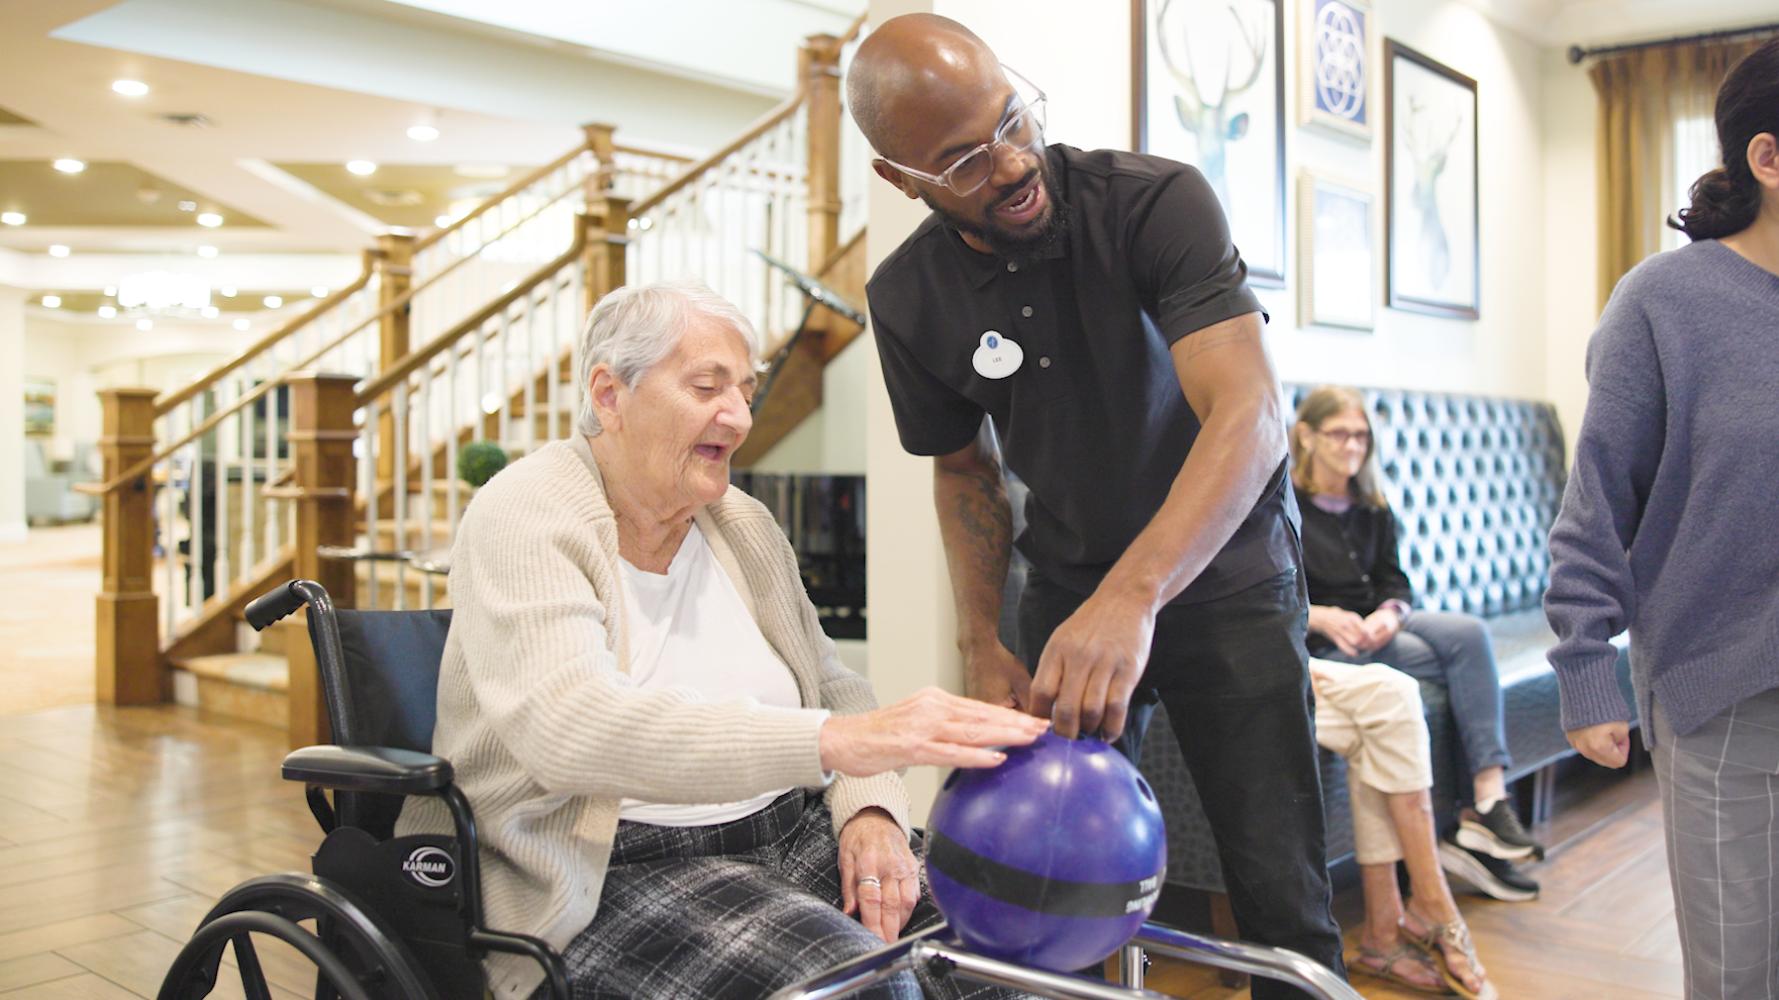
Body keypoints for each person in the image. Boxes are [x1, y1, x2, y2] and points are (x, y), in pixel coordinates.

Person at [848, 15, 1346, 994]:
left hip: (1226, 578)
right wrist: (983, 639)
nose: (1011, 161)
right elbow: (964, 472)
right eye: (961, 161)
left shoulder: (1154, 202)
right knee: (1037, 888)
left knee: (1279, 890)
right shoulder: (908, 295)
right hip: (1063, 589)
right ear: (901, 180)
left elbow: (1248, 415)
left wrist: (1135, 596)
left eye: (1013, 120)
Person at [395, 279, 1049, 1000]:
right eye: (708, 386)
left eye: (744, 387)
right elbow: (570, 732)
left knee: (1015, 954)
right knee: (866, 988)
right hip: (610, 864)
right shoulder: (524, 514)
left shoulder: (740, 524)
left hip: (790, 833)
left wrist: (869, 809)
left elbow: (833, 685)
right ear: (608, 395)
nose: (737, 416)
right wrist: (835, 743)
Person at [1545, 38, 1779, 1000]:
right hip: (1726, 695)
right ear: (1766, 159)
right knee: (1739, 977)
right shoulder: (1664, 303)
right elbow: (1595, 497)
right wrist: (1585, 670)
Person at [1289, 386, 1545, 903]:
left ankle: (1490, 800)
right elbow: (1275, 593)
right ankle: (1473, 818)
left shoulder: (1373, 507)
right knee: (1455, 665)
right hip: (1330, 646)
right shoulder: (1286, 507)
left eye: (1361, 435)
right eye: (1339, 433)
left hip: (1378, 631)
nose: (1353, 446)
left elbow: (1395, 582)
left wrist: (1390, 614)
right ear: (1307, 436)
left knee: (1468, 634)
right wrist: (1323, 616)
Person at [1310, 659, 1496, 999]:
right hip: (1227, 647)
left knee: (1379, 718)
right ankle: (1432, 902)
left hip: (1282, 637)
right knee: (1391, 692)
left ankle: (1383, 935)